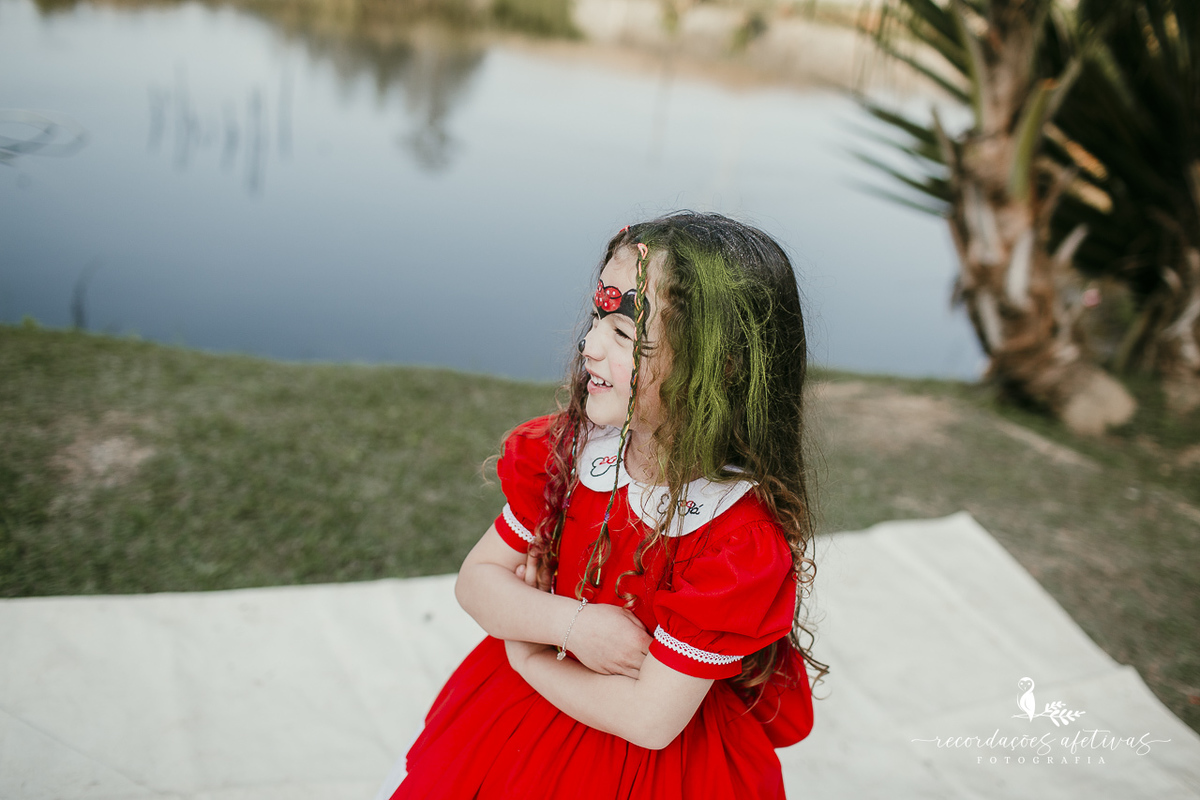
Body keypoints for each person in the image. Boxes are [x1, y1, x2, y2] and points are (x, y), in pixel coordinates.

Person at [388, 212, 825, 800]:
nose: (589, 345)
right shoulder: (566, 457)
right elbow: (476, 582)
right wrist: (571, 625)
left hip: (650, 773)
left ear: (719, 366)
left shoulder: (734, 540)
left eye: (624, 334)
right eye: (599, 318)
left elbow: (650, 720)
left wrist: (528, 656)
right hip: (511, 735)